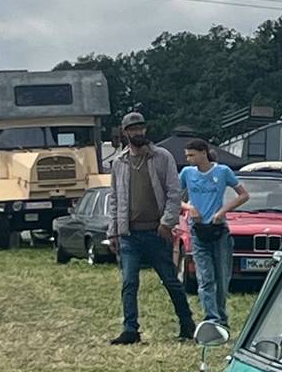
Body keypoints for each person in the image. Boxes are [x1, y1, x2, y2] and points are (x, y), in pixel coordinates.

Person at [103, 112, 194, 344]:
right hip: (129, 234)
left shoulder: (162, 157)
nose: (138, 133)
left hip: (156, 231)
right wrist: (113, 231)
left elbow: (174, 193)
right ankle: (130, 329)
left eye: (141, 128)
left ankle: (187, 324)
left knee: (171, 280)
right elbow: (114, 199)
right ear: (125, 133)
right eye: (133, 129)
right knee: (129, 282)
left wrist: (167, 222)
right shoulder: (119, 163)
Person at [178, 139, 246, 327]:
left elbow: (243, 195)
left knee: (222, 277)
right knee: (205, 277)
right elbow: (172, 196)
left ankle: (222, 317)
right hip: (198, 230)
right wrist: (188, 207)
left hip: (219, 230)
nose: (189, 159)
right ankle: (211, 318)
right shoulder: (187, 173)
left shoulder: (222, 172)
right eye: (187, 156)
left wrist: (223, 211)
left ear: (203, 153)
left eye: (191, 155)